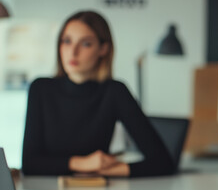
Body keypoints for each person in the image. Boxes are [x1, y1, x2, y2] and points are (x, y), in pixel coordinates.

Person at [21, 11, 175, 177]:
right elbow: (30, 163)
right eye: (67, 41)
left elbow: (163, 162)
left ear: (103, 49)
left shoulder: (115, 91)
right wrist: (84, 163)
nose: (73, 52)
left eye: (85, 44)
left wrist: (114, 170)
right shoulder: (40, 88)